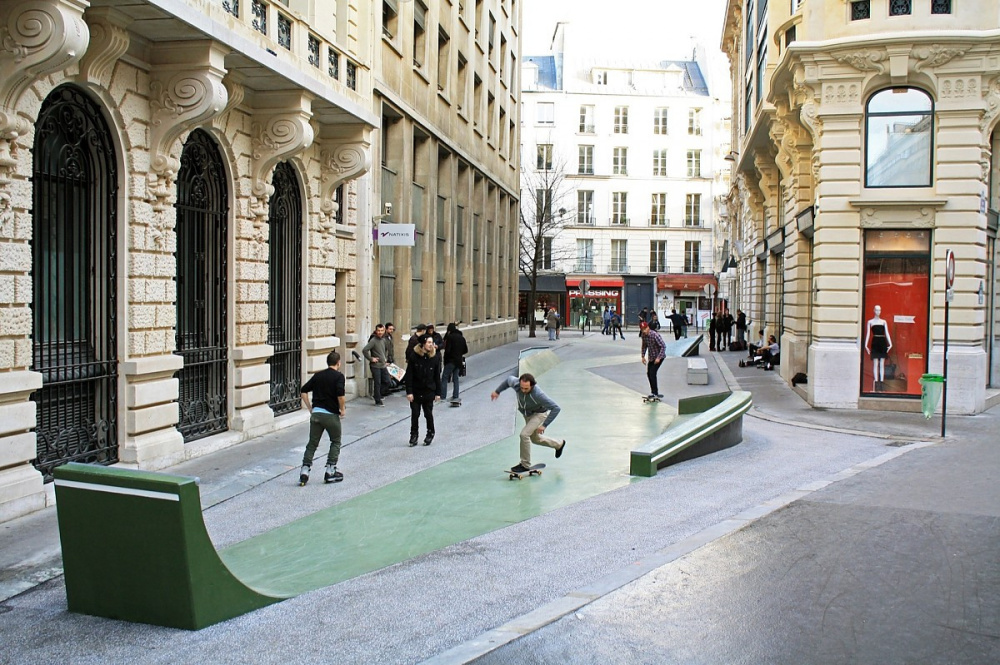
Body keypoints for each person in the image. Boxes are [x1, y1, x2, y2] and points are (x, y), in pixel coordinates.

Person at [490, 372, 566, 473]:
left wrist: (544, 425)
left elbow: (556, 408)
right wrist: (497, 391)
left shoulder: (538, 394)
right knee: (535, 439)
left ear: (532, 385)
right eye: (521, 388)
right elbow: (508, 380)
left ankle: (524, 464)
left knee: (524, 435)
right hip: (527, 415)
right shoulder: (516, 383)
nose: (523, 390)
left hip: (539, 414)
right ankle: (559, 444)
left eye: (526, 388)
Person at [298, 351, 346, 485]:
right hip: (330, 415)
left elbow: (303, 390)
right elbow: (340, 395)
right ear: (338, 363)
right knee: (335, 441)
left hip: (316, 414)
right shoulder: (339, 376)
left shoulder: (318, 375)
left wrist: (310, 408)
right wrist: (342, 409)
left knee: (312, 443)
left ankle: (304, 471)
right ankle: (330, 470)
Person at [405, 336, 442, 445]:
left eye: (432, 342)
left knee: (428, 414)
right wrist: (409, 392)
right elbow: (409, 375)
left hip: (429, 390)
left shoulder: (435, 357)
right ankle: (414, 435)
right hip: (416, 390)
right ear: (423, 344)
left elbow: (437, 376)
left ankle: (430, 433)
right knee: (415, 414)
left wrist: (438, 393)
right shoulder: (414, 356)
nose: (431, 344)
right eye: (429, 342)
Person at [864, 305, 893, 391]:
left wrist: (890, 343)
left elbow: (887, 333)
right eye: (877, 310)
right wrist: (866, 345)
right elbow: (868, 334)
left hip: (882, 342)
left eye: (879, 310)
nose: (878, 312)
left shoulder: (883, 322)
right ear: (874, 310)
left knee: (882, 364)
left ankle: (882, 384)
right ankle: (876, 384)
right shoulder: (870, 322)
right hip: (875, 342)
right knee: (875, 364)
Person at [362, 324, 390, 406]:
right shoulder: (373, 340)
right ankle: (378, 400)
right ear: (376, 331)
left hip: (383, 365)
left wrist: (385, 358)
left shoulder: (384, 340)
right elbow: (365, 350)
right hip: (375, 366)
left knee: (387, 381)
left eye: (381, 330)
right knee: (377, 383)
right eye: (378, 330)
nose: (380, 332)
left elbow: (385, 350)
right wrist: (371, 359)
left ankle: (377, 394)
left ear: (384, 331)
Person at [440, 322, 468, 403]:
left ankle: (443, 396)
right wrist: (459, 353)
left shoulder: (450, 337)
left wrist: (447, 358)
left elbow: (448, 350)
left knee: (445, 377)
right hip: (458, 361)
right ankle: (455, 396)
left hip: (450, 360)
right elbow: (466, 350)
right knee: (456, 378)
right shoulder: (462, 338)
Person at [639, 321, 666, 399]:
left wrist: (658, 358)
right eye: (642, 330)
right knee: (649, 374)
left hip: (659, 357)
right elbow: (644, 346)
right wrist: (643, 356)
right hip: (651, 357)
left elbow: (663, 346)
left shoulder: (655, 335)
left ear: (648, 327)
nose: (644, 331)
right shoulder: (644, 336)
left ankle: (655, 393)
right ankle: (653, 392)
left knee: (652, 373)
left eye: (645, 329)